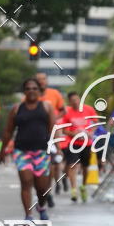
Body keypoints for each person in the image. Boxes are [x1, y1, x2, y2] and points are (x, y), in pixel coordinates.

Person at [0, 77, 56, 220]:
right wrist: (2, 150)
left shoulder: (47, 107)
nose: (31, 91)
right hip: (22, 151)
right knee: (26, 182)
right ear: (24, 91)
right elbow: (8, 131)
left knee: (42, 188)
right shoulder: (17, 109)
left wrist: (57, 148)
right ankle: (28, 215)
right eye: (28, 89)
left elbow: (53, 129)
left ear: (39, 91)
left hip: (42, 151)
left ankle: (41, 206)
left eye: (34, 88)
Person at [60, 91, 98, 202]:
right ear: (69, 102)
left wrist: (91, 132)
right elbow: (64, 130)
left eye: (77, 100)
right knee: (73, 165)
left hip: (87, 143)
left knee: (85, 167)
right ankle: (74, 190)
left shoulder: (88, 109)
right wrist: (74, 134)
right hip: (73, 143)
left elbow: (96, 122)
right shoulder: (67, 112)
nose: (76, 102)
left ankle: (83, 187)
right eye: (73, 101)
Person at [37, 72, 66, 202]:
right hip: (36, 134)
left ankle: (49, 190)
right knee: (40, 167)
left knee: (52, 164)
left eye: (43, 79)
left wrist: (53, 119)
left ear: (47, 81)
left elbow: (63, 110)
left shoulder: (54, 93)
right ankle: (44, 191)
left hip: (51, 134)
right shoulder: (32, 95)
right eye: (39, 79)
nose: (41, 81)